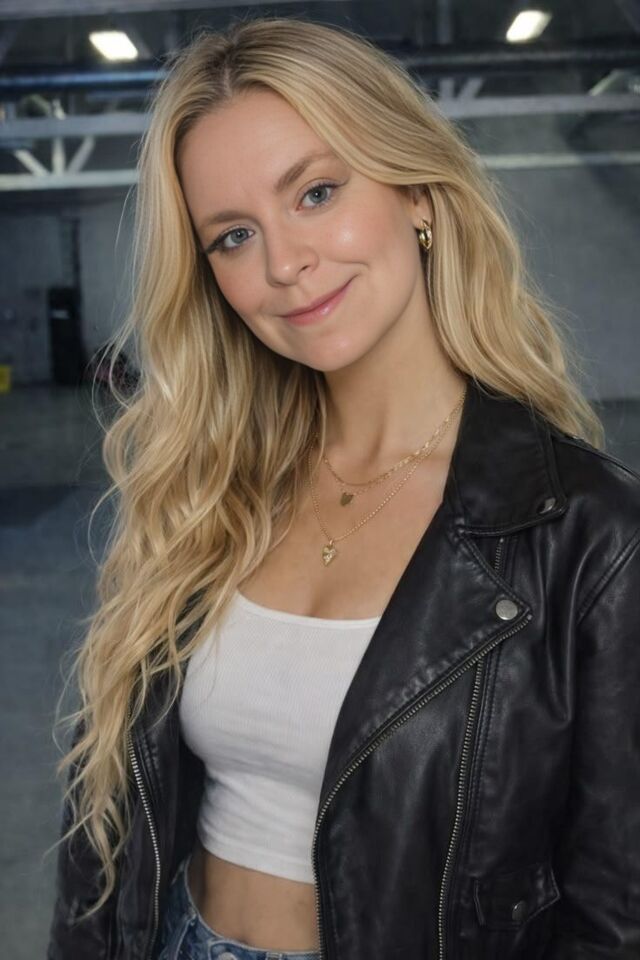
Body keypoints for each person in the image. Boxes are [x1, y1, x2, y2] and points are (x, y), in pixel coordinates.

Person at [47, 16, 640, 960]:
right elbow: (105, 839)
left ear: (418, 195)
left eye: (317, 193)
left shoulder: (590, 536)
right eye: (233, 236)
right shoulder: (206, 491)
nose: (283, 265)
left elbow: (614, 916)